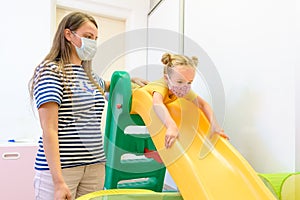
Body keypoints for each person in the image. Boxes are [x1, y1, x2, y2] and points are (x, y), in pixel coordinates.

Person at [29, 11, 147, 200]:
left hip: (95, 167)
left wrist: (129, 81)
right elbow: (49, 129)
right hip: (63, 169)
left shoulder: (91, 77)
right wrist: (58, 182)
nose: (92, 43)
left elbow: (108, 84)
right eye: (87, 37)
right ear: (68, 35)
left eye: (95, 38)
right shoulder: (51, 71)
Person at [141, 53, 228, 149]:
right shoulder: (160, 87)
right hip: (135, 96)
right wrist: (171, 126)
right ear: (166, 78)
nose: (185, 86)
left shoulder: (182, 88)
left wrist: (215, 126)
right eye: (180, 81)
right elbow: (157, 104)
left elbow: (203, 105)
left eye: (189, 82)